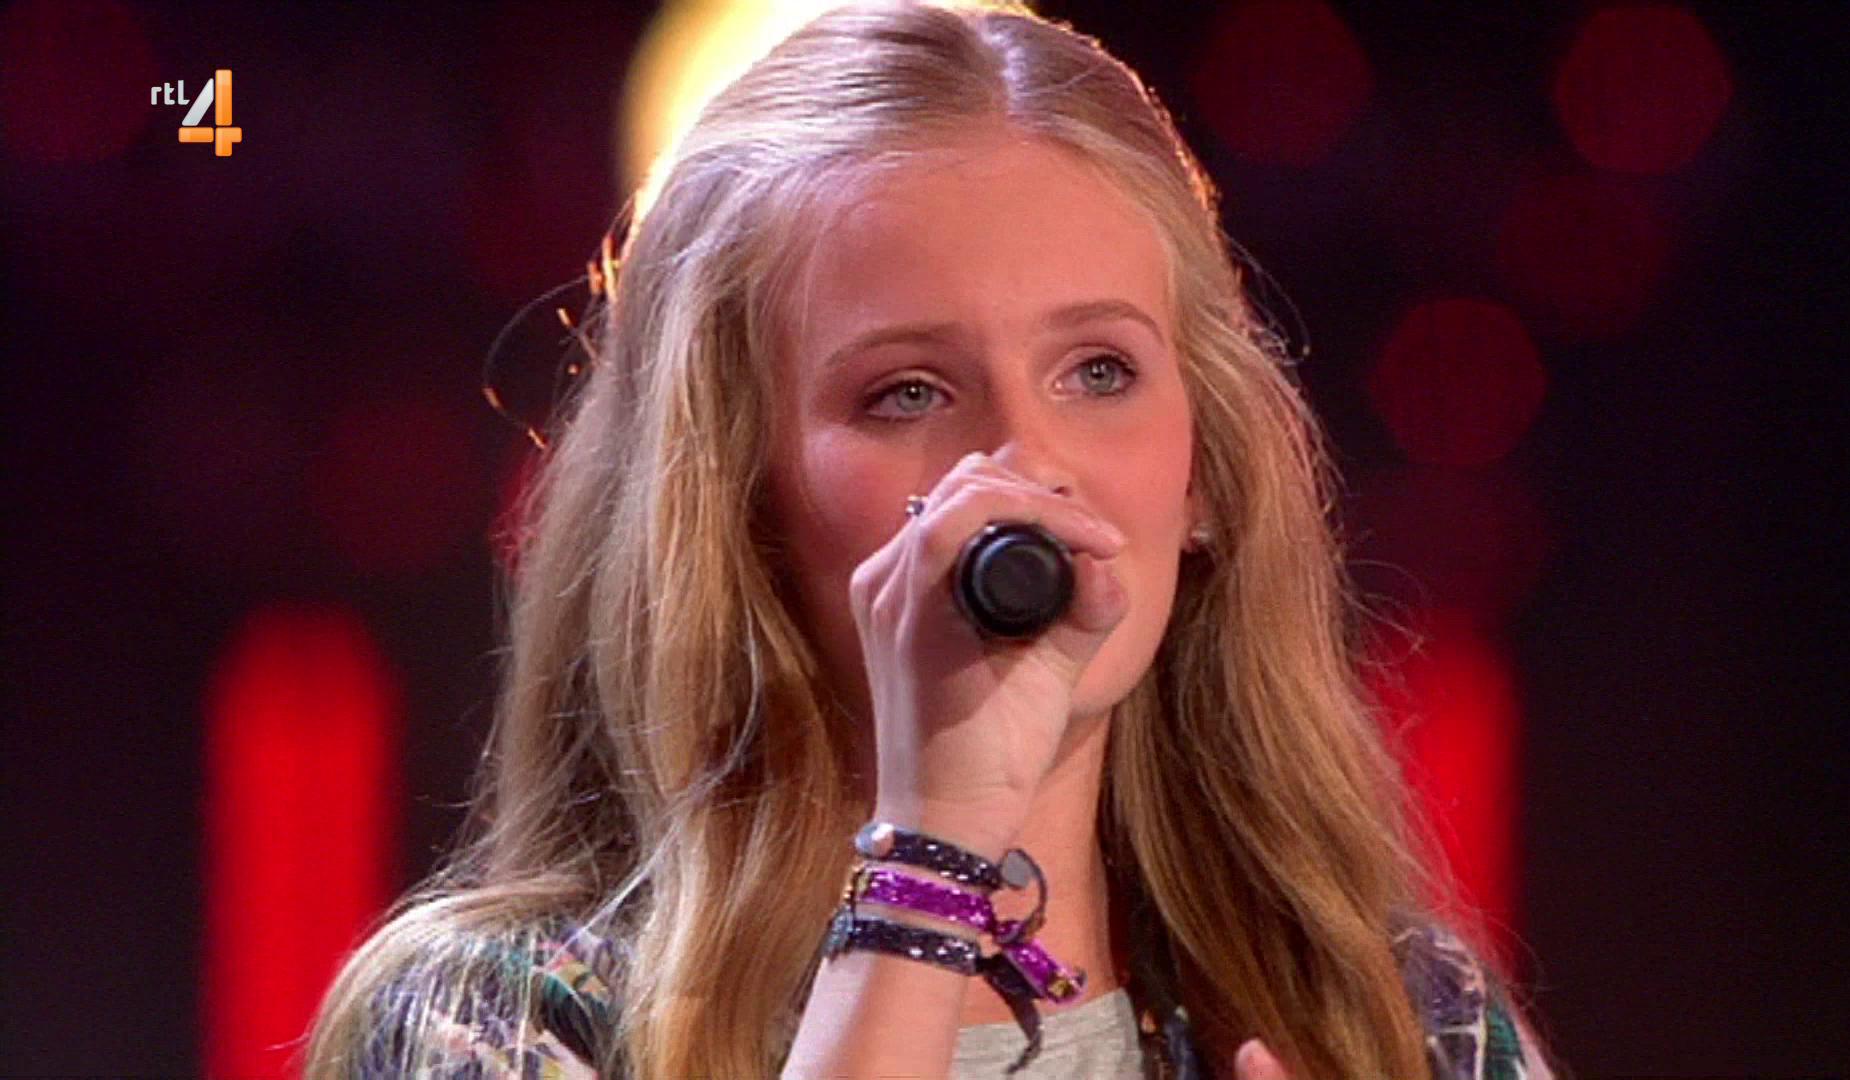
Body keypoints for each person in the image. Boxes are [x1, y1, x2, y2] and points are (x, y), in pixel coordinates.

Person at [303, 1, 1560, 1077]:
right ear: (732, 499)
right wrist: (931, 855)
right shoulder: (498, 1018)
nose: (1022, 463)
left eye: (1100, 370)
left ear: (1203, 480)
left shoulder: (1400, 1018)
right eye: (906, 392)